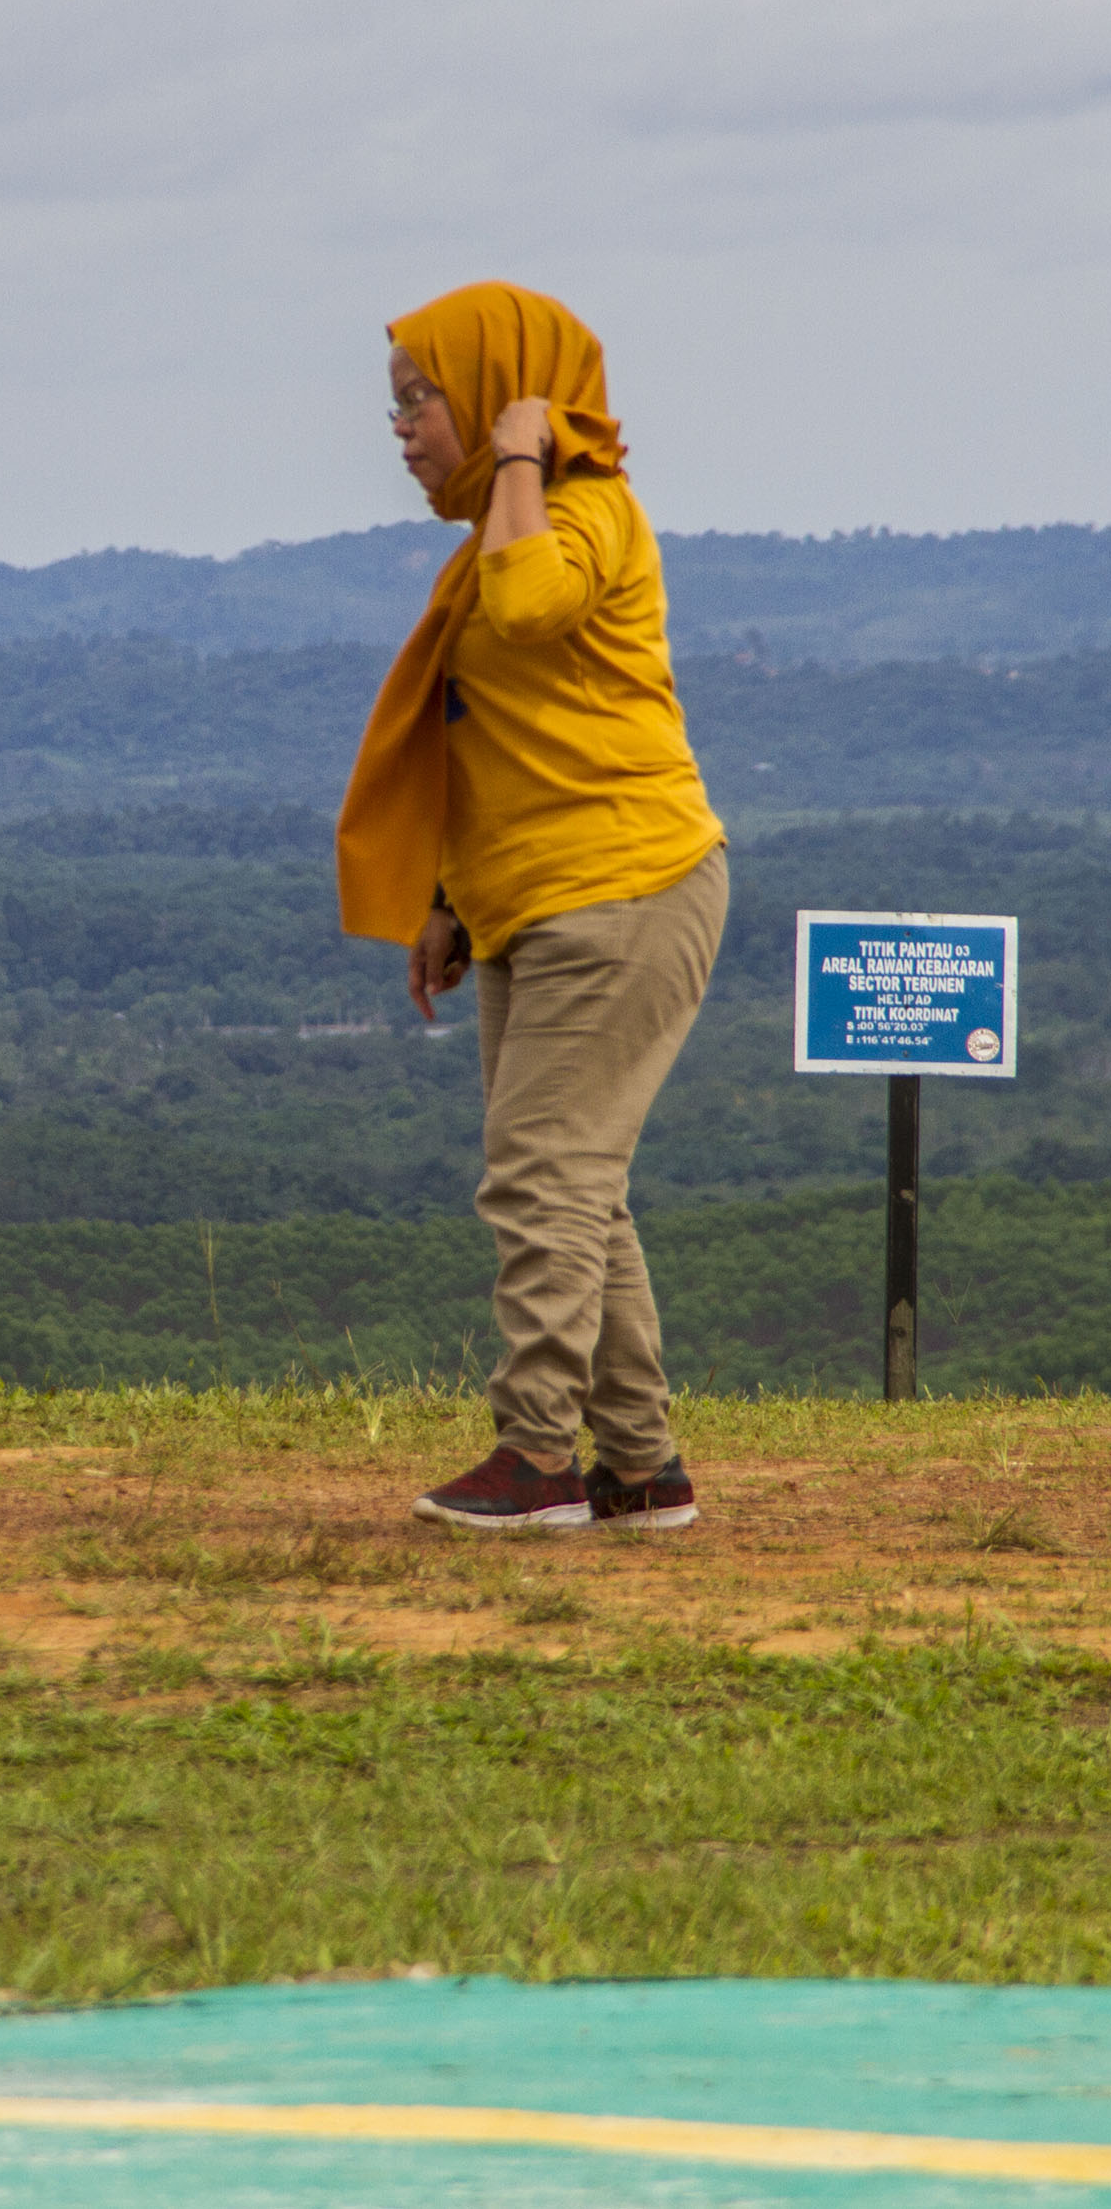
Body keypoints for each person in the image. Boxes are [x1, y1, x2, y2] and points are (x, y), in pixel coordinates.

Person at [336, 280, 728, 1536]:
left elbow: (525, 605)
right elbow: (495, 733)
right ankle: (639, 1467)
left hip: (620, 889)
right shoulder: (502, 533)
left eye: (420, 399)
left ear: (500, 386)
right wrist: (448, 898)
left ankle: (538, 1459)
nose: (399, 429)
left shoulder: (585, 510)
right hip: (539, 901)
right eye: (393, 406)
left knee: (539, 1180)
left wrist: (520, 448)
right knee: (577, 1187)